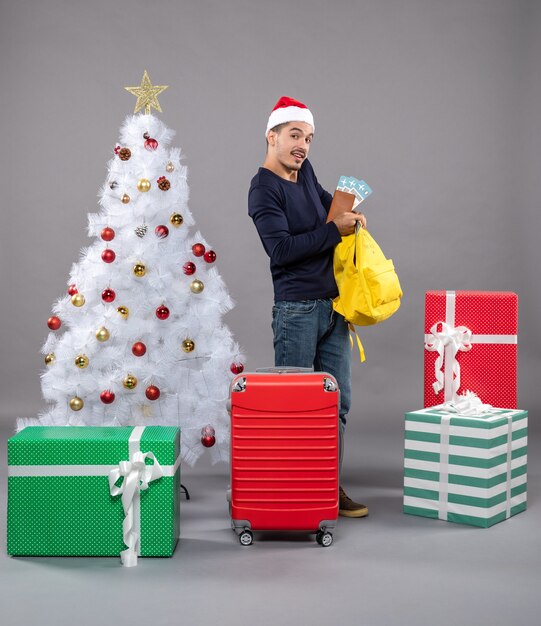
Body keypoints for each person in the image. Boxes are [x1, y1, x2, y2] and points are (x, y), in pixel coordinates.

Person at [248, 96, 368, 517]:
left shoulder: (306, 172)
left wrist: (348, 215)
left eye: (309, 137)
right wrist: (334, 230)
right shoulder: (263, 188)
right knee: (293, 408)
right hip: (296, 311)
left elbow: (325, 214)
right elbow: (280, 251)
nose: (303, 145)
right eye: (295, 135)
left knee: (338, 403)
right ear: (272, 136)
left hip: (333, 309)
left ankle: (327, 487)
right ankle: (289, 490)